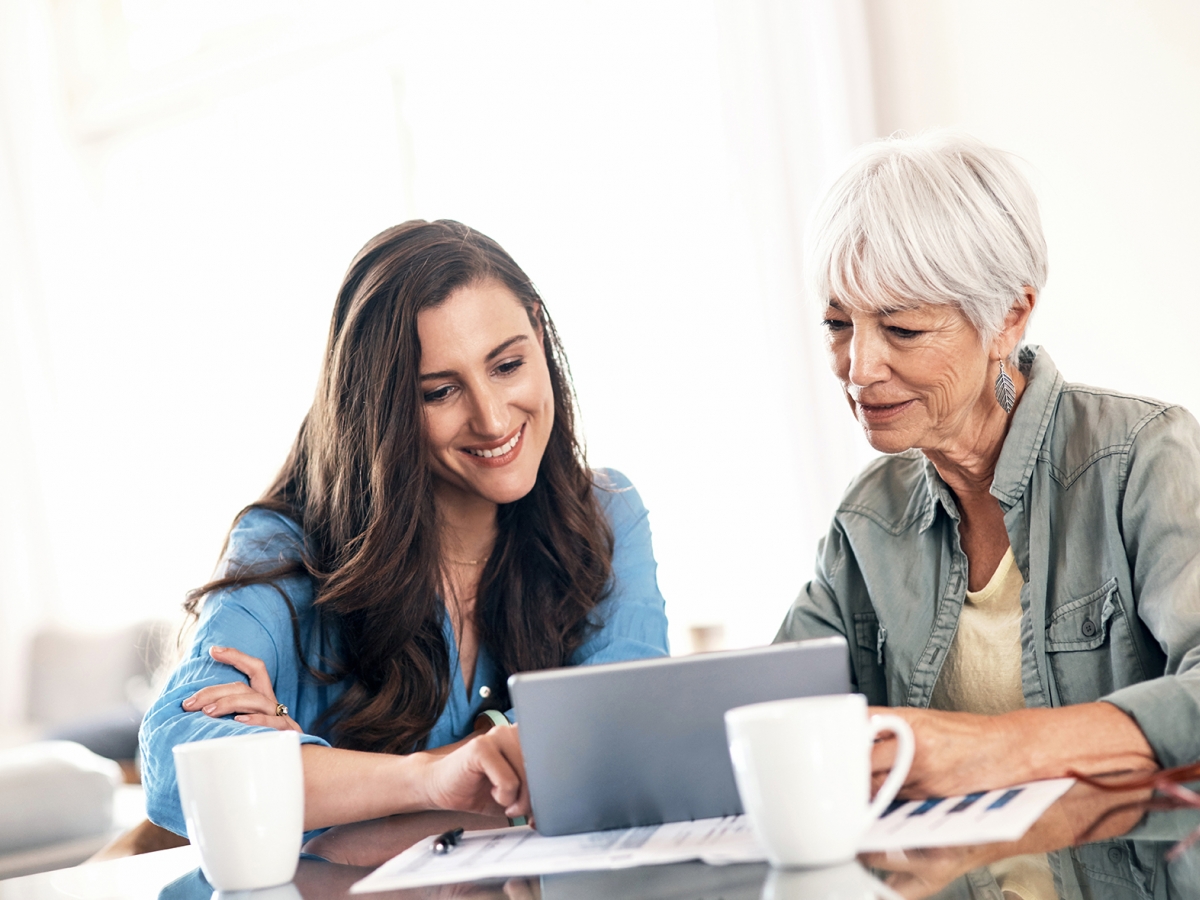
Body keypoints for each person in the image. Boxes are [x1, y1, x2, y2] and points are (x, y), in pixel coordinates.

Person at [140, 220, 669, 837]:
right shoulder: (287, 545)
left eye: (507, 365)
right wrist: (429, 777)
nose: (493, 419)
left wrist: (318, 772)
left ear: (539, 331)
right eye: (441, 391)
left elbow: (624, 743)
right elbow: (179, 766)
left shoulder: (606, 514)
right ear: (383, 409)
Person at [777, 131, 1200, 802]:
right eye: (837, 324)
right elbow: (778, 715)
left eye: (903, 330)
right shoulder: (868, 517)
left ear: (1008, 318)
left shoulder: (1142, 457)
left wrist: (994, 750)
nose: (857, 369)